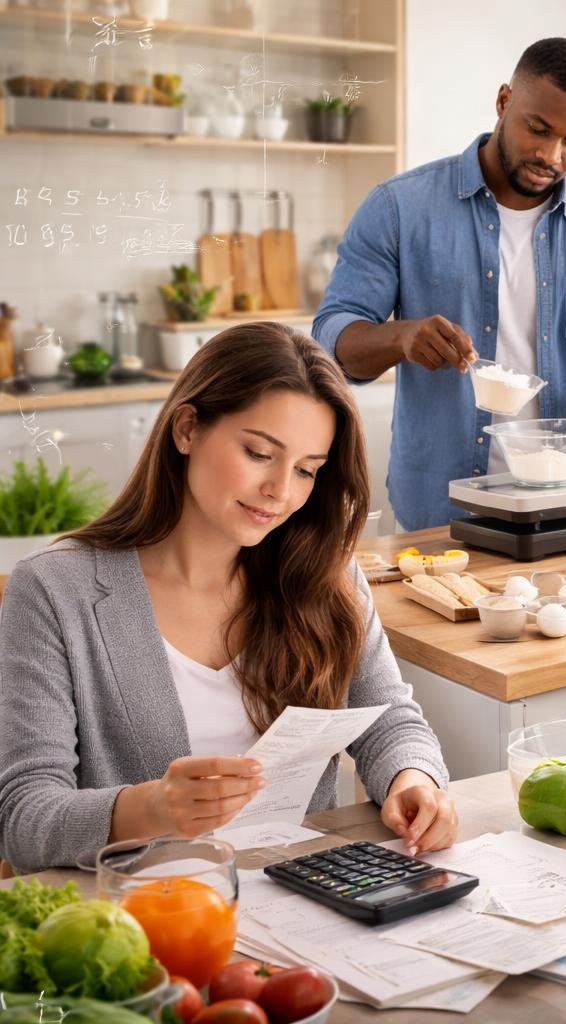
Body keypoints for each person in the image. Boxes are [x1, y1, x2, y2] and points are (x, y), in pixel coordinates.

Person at [0, 324, 457, 874]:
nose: (281, 492)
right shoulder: (55, 591)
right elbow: (22, 819)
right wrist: (150, 808)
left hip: (303, 902)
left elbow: (389, 722)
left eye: (308, 470)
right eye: (260, 453)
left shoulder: (323, 575)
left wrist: (416, 779)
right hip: (146, 918)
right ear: (188, 428)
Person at [312, 37, 566, 530]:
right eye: (536, 128)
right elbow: (331, 337)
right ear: (503, 101)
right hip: (441, 510)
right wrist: (402, 337)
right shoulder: (399, 208)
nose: (550, 154)